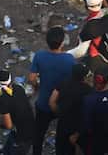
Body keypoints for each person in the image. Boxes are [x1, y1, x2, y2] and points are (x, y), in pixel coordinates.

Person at [29, 26, 76, 154]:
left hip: (44, 102)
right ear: (62, 43)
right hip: (61, 103)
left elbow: (32, 78)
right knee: (62, 134)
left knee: (39, 134)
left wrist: (37, 87)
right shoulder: (69, 59)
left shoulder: (39, 56)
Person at [0, 69, 37, 155]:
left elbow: (8, 125)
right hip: (30, 123)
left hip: (22, 134)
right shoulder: (19, 88)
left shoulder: (3, 99)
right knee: (11, 143)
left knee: (18, 149)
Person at [52, 63, 91, 155]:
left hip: (62, 124)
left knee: (60, 149)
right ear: (84, 77)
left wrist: (59, 113)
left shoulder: (63, 83)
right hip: (76, 127)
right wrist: (77, 134)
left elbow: (52, 102)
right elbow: (88, 114)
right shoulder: (88, 90)